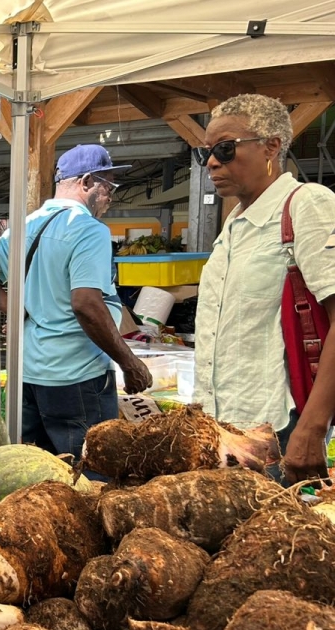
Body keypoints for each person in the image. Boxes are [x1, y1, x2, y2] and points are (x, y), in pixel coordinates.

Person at [0, 144, 152, 463]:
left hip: (28, 371)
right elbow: (86, 304)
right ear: (87, 182)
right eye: (109, 186)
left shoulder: (23, 228)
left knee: (37, 469)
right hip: (76, 376)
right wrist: (129, 362)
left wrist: (16, 307)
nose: (111, 195)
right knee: (87, 471)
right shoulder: (89, 230)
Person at [192, 94, 335, 485]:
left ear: (271, 146)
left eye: (224, 148)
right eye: (205, 154)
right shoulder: (234, 226)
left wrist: (313, 427)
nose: (213, 163)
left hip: (276, 430)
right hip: (223, 431)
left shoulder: (307, 206)